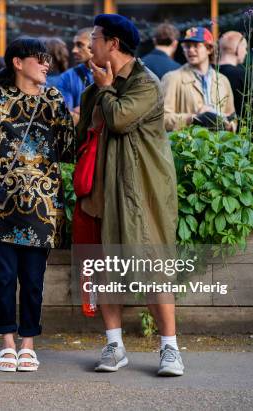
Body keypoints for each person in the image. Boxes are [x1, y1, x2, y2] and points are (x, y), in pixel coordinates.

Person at [76, 13, 184, 376]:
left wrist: (105, 88)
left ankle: (170, 350)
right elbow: (84, 133)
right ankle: (114, 346)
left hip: (142, 193)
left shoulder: (145, 83)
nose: (90, 45)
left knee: (152, 267)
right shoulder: (96, 83)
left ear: (113, 44)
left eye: (95, 38)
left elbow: (120, 119)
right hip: (101, 193)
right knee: (106, 271)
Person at [0, 37, 74, 372]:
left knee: (33, 278)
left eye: (47, 58)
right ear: (18, 63)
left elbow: (67, 147)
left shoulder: (53, 98)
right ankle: (7, 342)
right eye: (39, 58)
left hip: (43, 202)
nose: (46, 64)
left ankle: (28, 344)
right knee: (3, 276)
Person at [162, 27, 236, 131]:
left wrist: (228, 125)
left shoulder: (223, 80)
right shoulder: (172, 78)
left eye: (196, 45)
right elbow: (162, 119)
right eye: (187, 46)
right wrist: (194, 118)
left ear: (209, 49)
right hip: (187, 145)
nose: (191, 50)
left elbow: (232, 117)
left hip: (217, 146)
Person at [55, 27, 94, 124]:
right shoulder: (67, 77)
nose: (74, 50)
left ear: (94, 45)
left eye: (80, 45)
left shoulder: (112, 72)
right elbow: (65, 116)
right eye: (74, 45)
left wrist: (83, 110)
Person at [218, 31, 248, 118]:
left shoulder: (211, 71)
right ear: (238, 49)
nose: (246, 52)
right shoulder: (242, 75)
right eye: (245, 48)